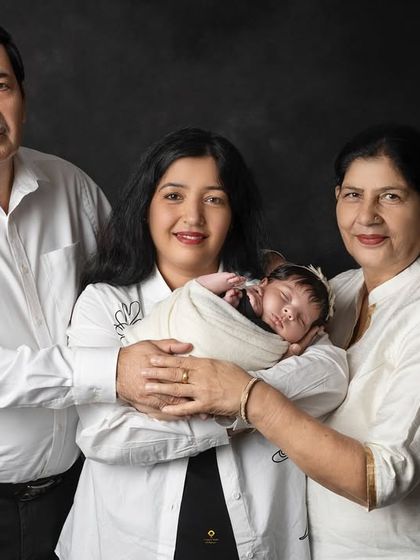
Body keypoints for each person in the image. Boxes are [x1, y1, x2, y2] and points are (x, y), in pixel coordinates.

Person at [56, 127, 347, 560]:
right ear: (145, 207)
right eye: (173, 196)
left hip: (258, 534)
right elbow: (106, 436)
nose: (193, 217)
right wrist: (238, 409)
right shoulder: (105, 303)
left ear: (234, 213)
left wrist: (236, 392)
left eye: (214, 199)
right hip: (125, 541)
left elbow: (330, 375)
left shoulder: (275, 292)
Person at [143, 123, 420, 559]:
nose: (367, 215)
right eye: (353, 194)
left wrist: (248, 396)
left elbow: (381, 478)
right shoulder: (339, 293)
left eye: (392, 196)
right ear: (336, 199)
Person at [0, 26, 188, 560]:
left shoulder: (68, 185)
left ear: (23, 97)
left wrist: (253, 281)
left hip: (79, 490)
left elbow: (136, 279)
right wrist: (111, 372)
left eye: (1, 85)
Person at [124, 264, 335, 370]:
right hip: (186, 328)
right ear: (263, 284)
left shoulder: (276, 346)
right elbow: (198, 295)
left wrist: (298, 347)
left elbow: (275, 371)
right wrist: (226, 295)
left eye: (300, 320)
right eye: (284, 296)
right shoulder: (247, 294)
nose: (289, 313)